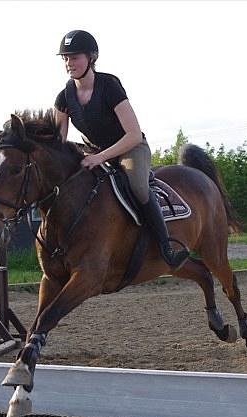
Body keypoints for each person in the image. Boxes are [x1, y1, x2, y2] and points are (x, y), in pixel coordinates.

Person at [53, 30, 189, 269]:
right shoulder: (64, 98)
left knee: (137, 186)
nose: (68, 63)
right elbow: (59, 141)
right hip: (93, 152)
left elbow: (134, 134)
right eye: (65, 58)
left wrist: (100, 157)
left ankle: (166, 247)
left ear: (91, 57)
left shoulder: (109, 86)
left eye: (74, 57)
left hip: (130, 149)